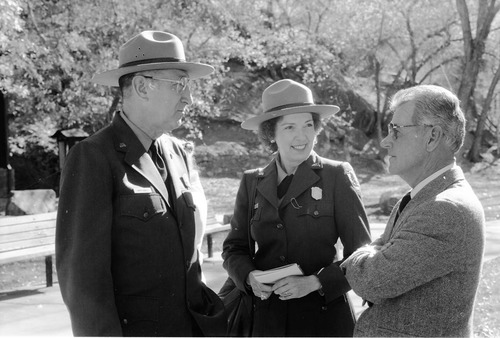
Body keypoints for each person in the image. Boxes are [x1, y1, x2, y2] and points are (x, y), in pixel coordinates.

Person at [56, 31, 226, 336]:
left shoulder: (177, 153)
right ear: (141, 86)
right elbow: (83, 284)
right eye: (179, 85)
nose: (189, 98)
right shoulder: (94, 157)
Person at [221, 79, 372, 336]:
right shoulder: (252, 181)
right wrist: (248, 277)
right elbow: (234, 248)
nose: (301, 136)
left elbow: (361, 254)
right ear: (271, 133)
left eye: (308, 125)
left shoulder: (336, 175)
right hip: (266, 320)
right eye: (290, 127)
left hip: (323, 320)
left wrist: (315, 283)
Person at [340, 85, 485, 337]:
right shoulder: (422, 197)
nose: (386, 141)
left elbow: (372, 280)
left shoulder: (444, 209)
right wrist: (373, 254)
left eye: (396, 130)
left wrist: (357, 257)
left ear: (432, 137)